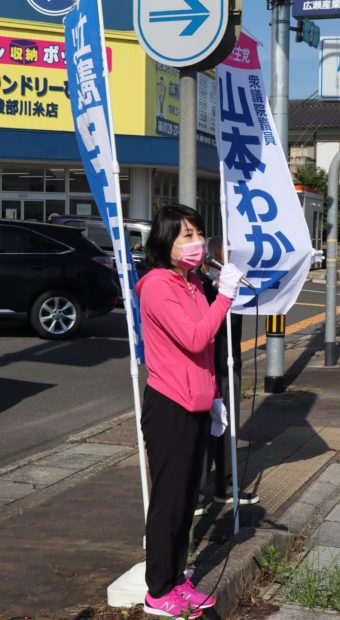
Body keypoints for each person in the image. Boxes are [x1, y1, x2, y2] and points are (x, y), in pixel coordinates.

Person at [135, 205, 243, 619]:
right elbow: (195, 337)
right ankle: (157, 590)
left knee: (185, 501)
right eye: (185, 236)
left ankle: (178, 579)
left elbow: (206, 352)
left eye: (198, 233)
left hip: (197, 403)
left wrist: (214, 396)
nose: (196, 243)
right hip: (169, 406)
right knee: (169, 501)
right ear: (165, 243)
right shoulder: (158, 285)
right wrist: (226, 296)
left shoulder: (193, 281)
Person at [196, 237, 259, 514]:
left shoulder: (234, 282)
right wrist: (217, 289)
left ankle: (226, 486)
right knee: (203, 431)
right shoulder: (199, 286)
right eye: (227, 255)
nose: (231, 261)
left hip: (229, 364)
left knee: (227, 429)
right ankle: (196, 494)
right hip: (204, 368)